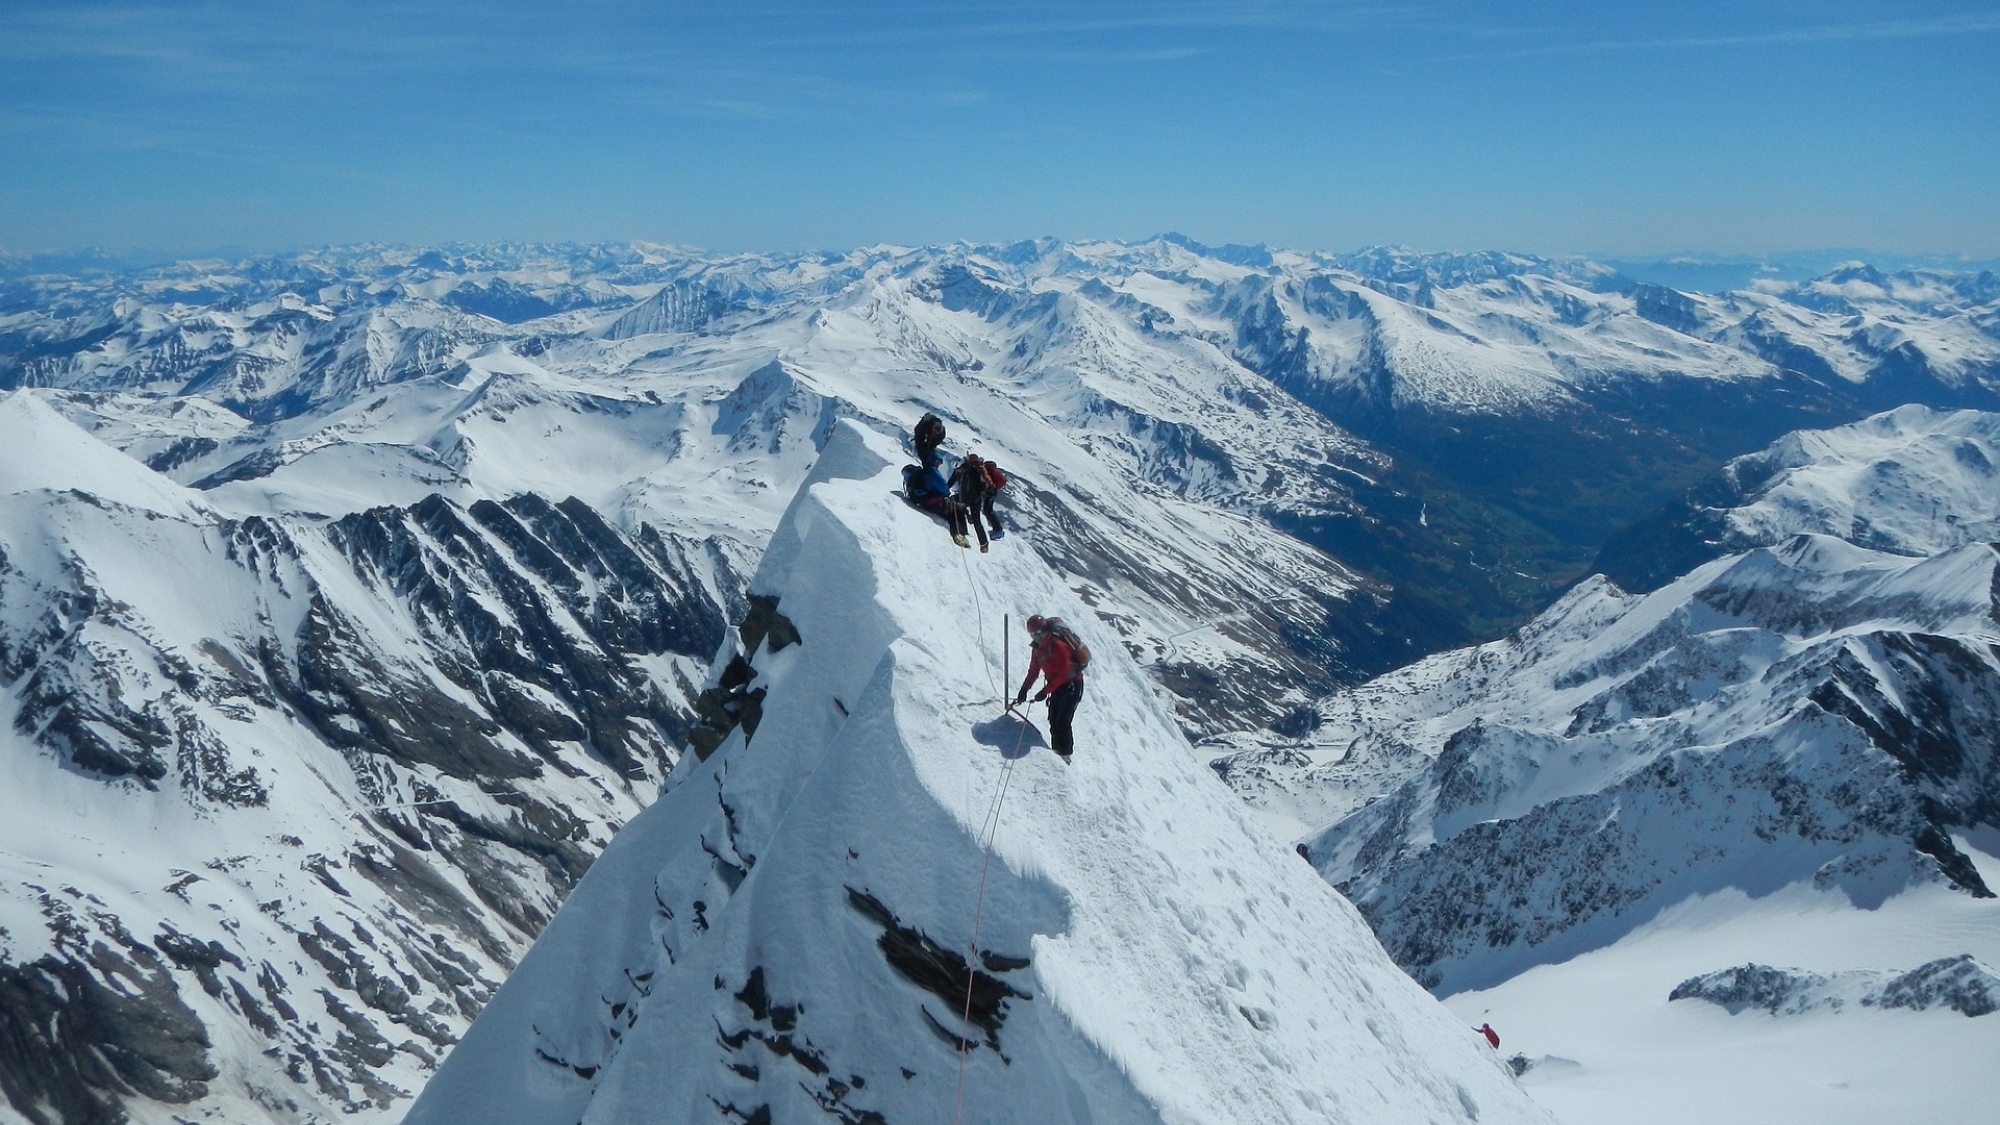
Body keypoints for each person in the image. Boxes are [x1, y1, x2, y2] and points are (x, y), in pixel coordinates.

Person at [1013, 614, 1086, 761]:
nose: (1037, 636)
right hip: (1057, 686)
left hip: (1071, 685)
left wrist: (1045, 691)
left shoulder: (1058, 645)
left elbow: (1063, 673)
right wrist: (1024, 689)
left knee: (1063, 720)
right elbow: (1033, 671)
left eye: (1039, 632)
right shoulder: (1037, 649)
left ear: (1046, 629)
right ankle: (1057, 754)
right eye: (1033, 634)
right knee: (1053, 719)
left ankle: (1065, 756)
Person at [901, 449, 972, 548]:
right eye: (938, 462)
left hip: (925, 501)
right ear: (934, 461)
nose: (939, 464)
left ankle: (961, 533)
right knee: (957, 511)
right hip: (933, 504)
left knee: (955, 509)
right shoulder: (932, 471)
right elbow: (944, 489)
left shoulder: (924, 471)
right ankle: (959, 535)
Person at [949, 453, 994, 552]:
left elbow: (980, 488)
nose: (957, 471)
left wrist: (969, 500)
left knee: (976, 520)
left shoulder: (972, 473)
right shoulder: (958, 472)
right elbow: (951, 482)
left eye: (959, 469)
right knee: (956, 505)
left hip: (974, 498)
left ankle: (984, 544)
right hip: (964, 496)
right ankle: (963, 530)